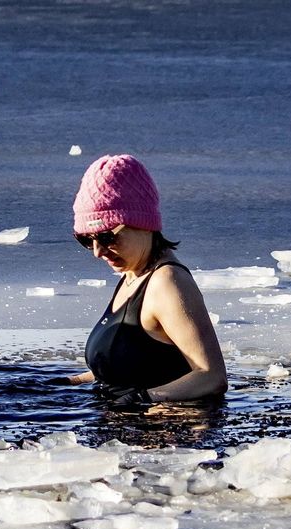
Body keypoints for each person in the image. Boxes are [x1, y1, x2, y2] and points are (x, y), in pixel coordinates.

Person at [66, 154, 227, 406]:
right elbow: (125, 367)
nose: (97, 251)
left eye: (107, 237)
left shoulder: (167, 282)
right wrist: (66, 383)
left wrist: (141, 400)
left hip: (161, 423)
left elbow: (211, 376)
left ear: (143, 224)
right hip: (120, 417)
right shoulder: (133, 275)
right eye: (86, 240)